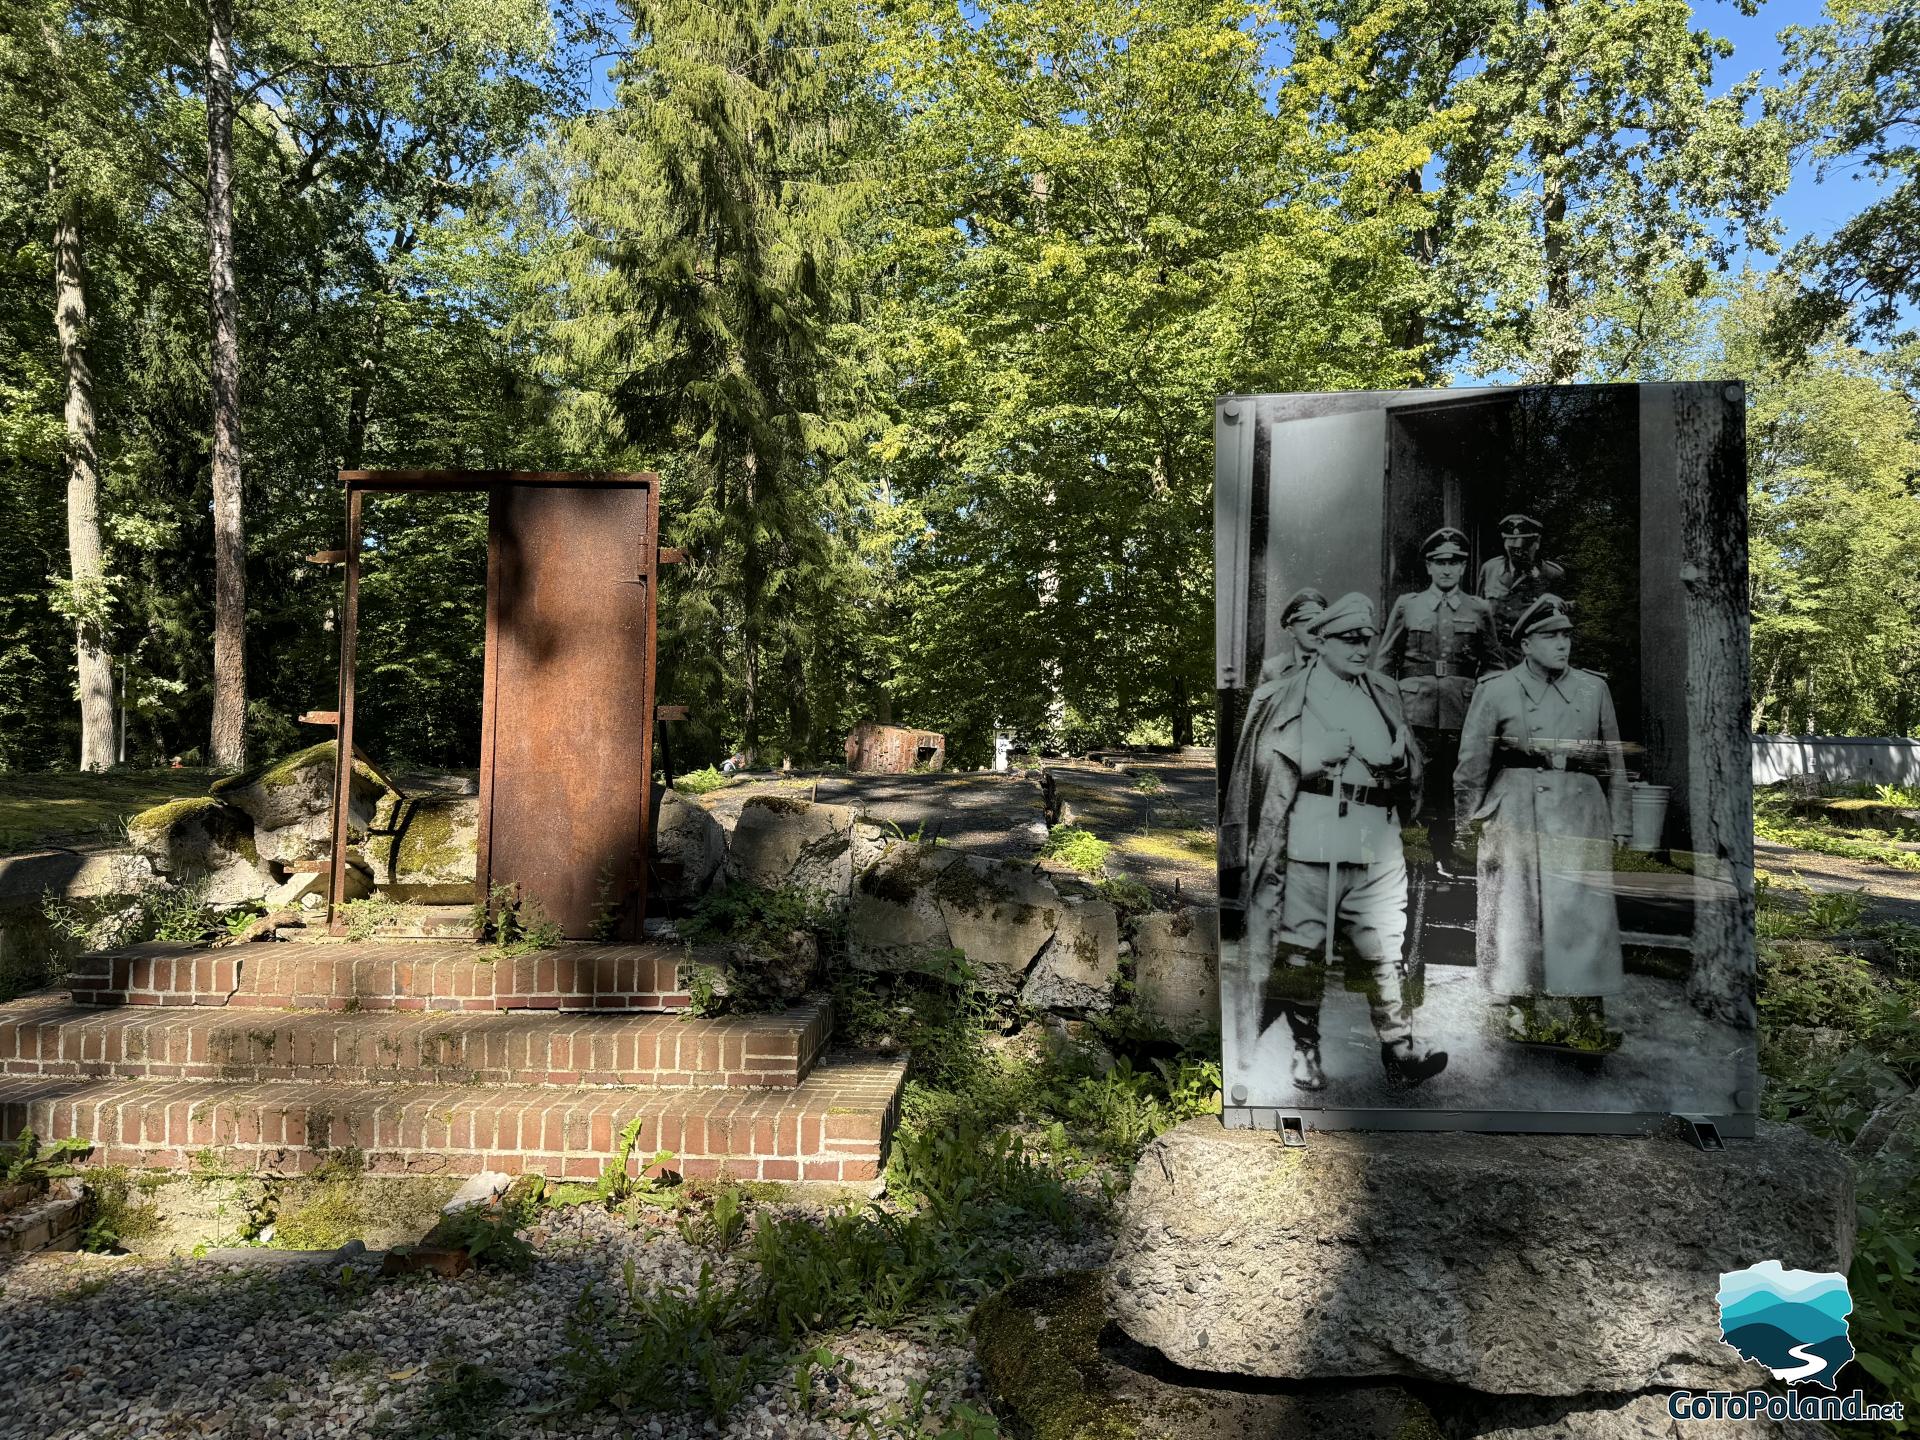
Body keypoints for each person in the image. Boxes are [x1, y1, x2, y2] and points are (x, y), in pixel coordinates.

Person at [1224, 592, 1449, 1092]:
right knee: (1303, 950)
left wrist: (1401, 763)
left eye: (1366, 639)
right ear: (1322, 640)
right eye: (1349, 639)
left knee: (1383, 945)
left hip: (1376, 835)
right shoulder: (1283, 694)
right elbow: (1256, 766)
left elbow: (1412, 763)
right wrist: (1309, 754)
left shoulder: (1383, 690)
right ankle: (1306, 1049)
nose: (1361, 648)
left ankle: (1400, 1047)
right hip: (1312, 836)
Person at [1453, 594, 1631, 1049]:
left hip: (1580, 806)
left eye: (1566, 636)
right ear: (1526, 644)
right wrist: (1465, 824)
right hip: (1516, 807)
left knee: (1584, 910)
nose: (1562, 644)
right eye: (1550, 636)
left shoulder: (1593, 688)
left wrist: (1621, 822)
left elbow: (1614, 762)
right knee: (1516, 910)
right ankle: (1519, 1008)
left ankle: (1587, 1013)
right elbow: (1471, 764)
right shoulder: (1497, 689)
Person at [1374, 528, 1500, 872]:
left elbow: (1495, 667)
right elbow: (1384, 664)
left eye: (1454, 563)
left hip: (1463, 714)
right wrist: (1389, 714)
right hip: (1415, 713)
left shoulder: (1479, 609)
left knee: (1455, 786)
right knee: (1415, 786)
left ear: (1463, 568)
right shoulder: (1408, 606)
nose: (1447, 569)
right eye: (1440, 562)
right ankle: (1413, 862)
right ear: (1429, 566)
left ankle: (1454, 861)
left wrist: (1483, 703)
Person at [1478, 513, 1567, 656]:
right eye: (1512, 548)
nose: (1518, 553)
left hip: (1531, 656)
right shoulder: (1490, 569)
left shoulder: (1551, 575)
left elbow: (1563, 625)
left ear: (1537, 543)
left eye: (1524, 547)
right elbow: (1478, 614)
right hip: (1493, 654)